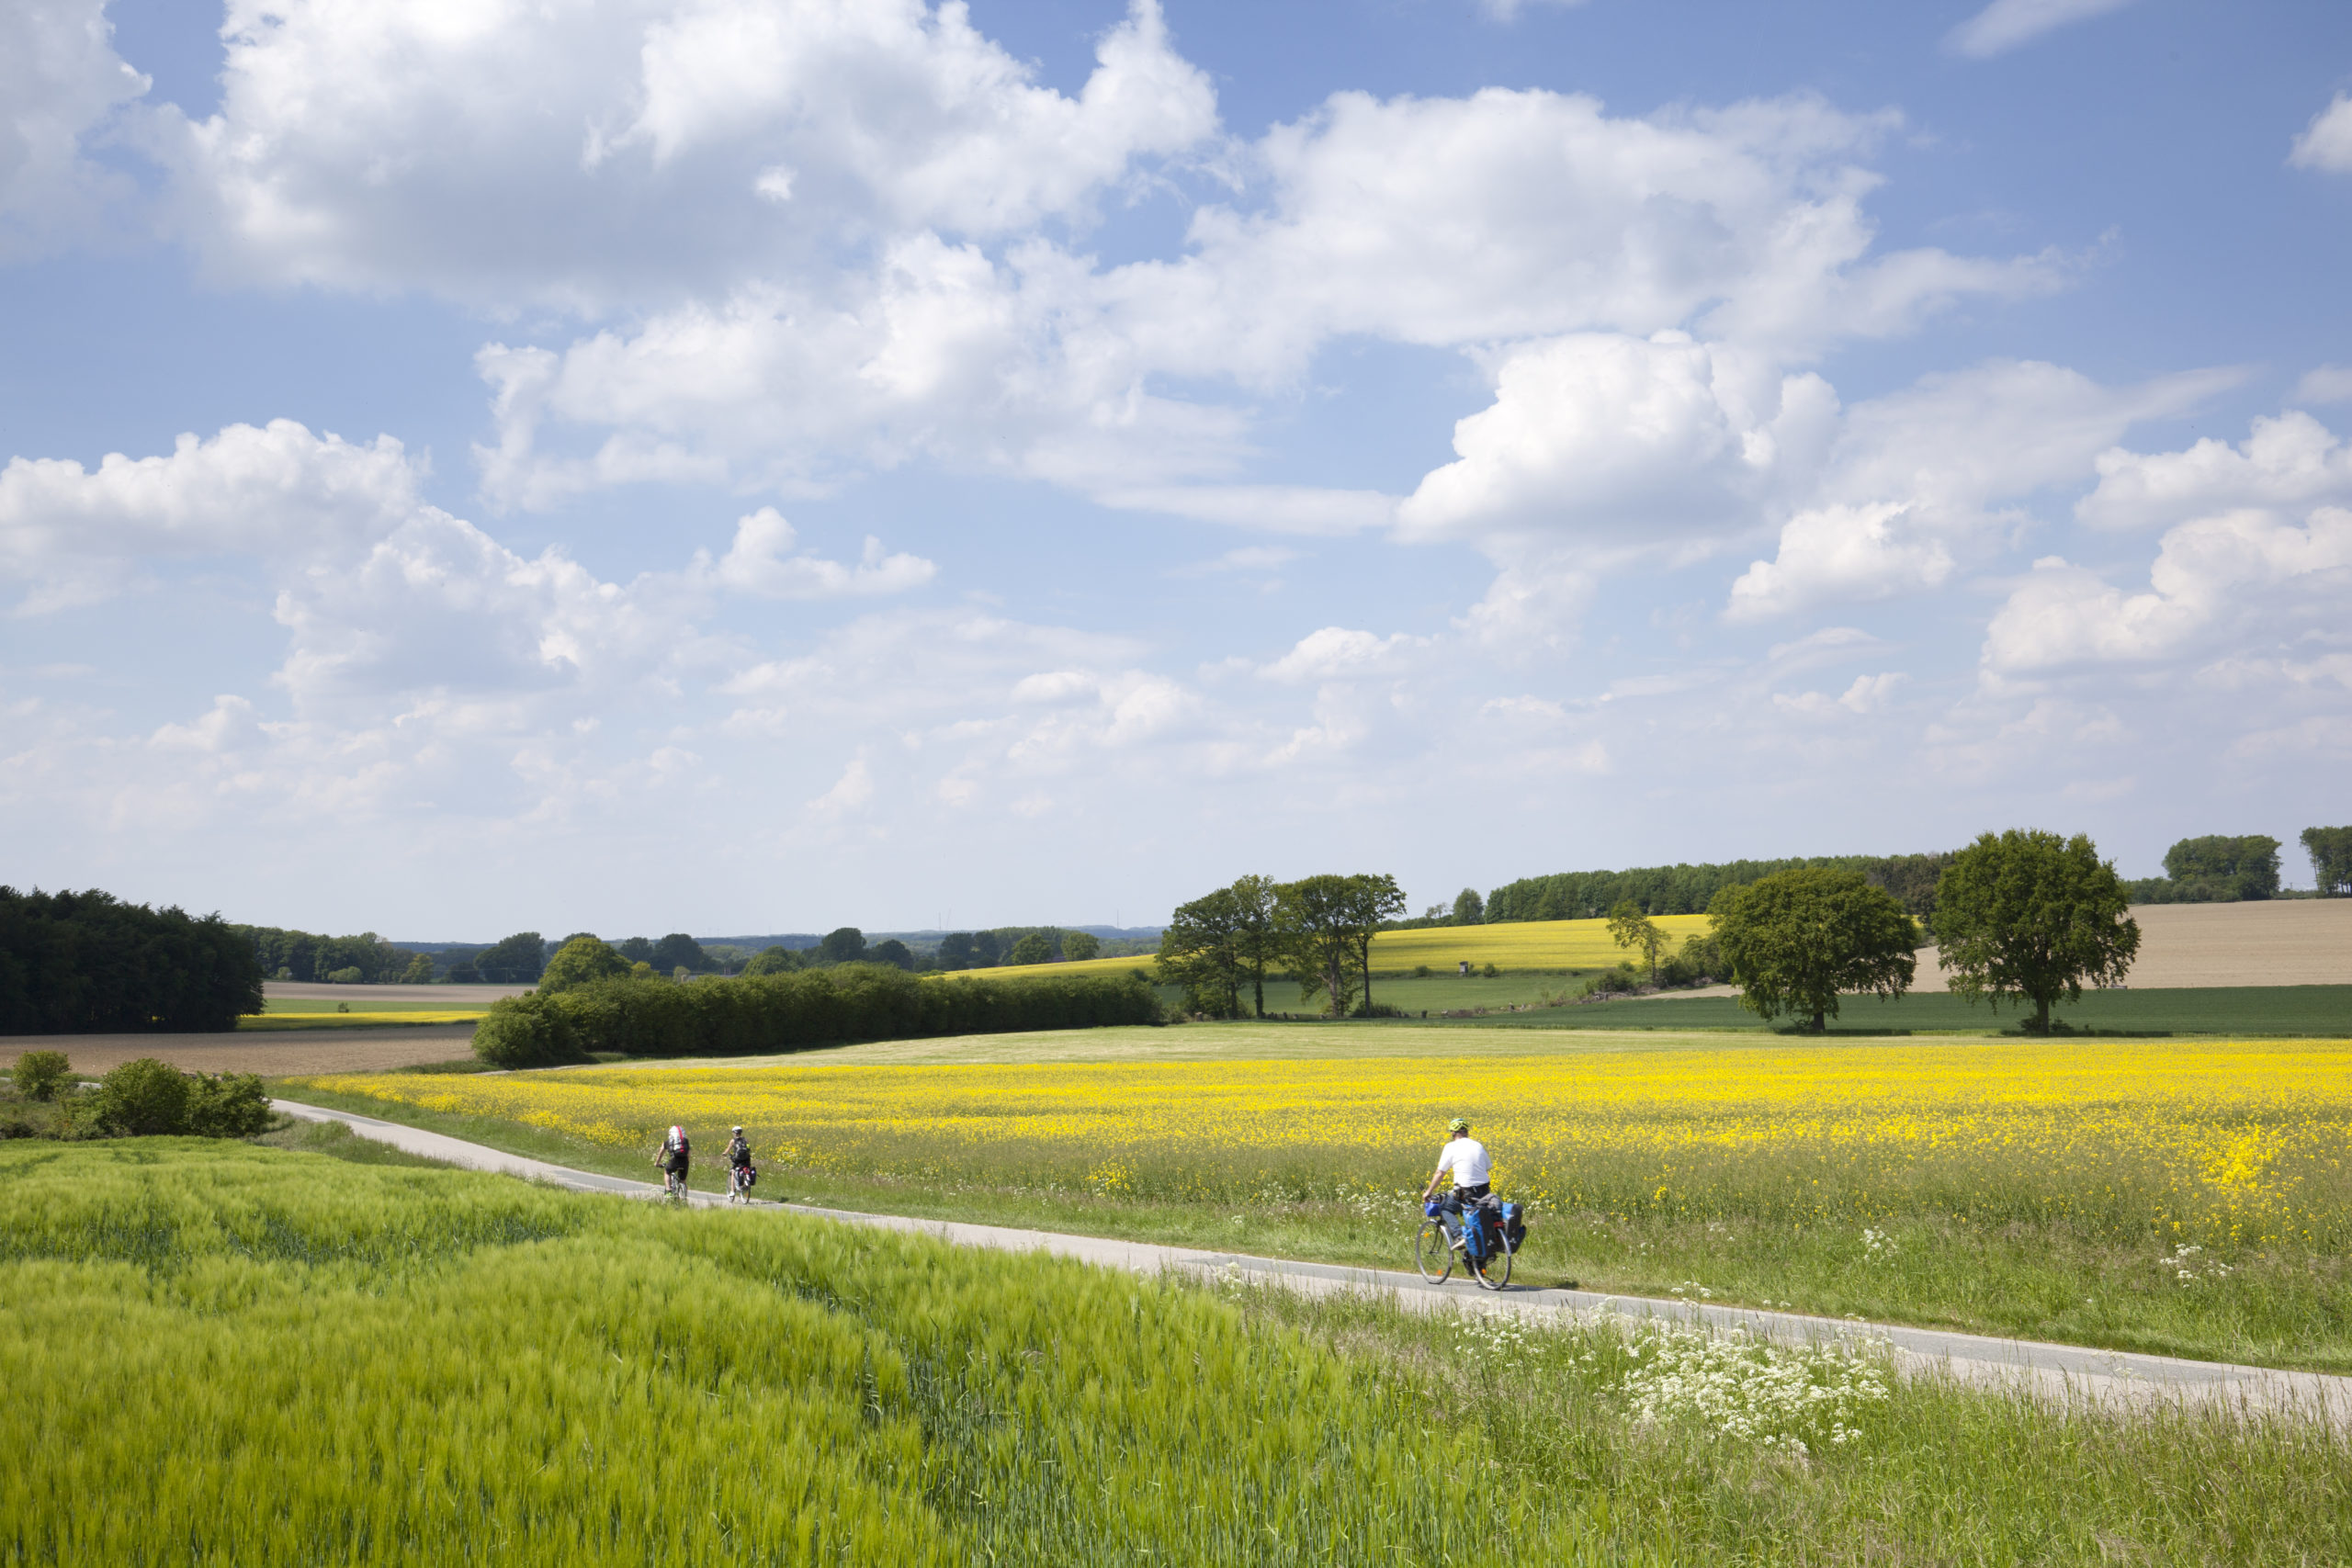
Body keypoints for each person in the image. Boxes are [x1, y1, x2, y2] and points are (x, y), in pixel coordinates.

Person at [1421, 1116, 1492, 1247]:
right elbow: (1487, 1167)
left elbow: (1440, 1173)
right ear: (1466, 1132)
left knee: (1445, 1208)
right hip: (1484, 1191)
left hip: (1465, 1192)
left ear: (1453, 1133)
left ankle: (1459, 1237)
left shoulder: (1450, 1147)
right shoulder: (1478, 1145)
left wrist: (1428, 1192)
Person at [656, 1124, 691, 1198]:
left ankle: (668, 1191)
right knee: (683, 1181)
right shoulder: (686, 1141)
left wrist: (657, 1163)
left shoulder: (667, 1142)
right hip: (685, 1162)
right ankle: (684, 1198)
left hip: (674, 1161)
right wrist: (687, 1163)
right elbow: (688, 1154)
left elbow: (660, 1153)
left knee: (667, 1172)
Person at [724, 1125, 754, 1200]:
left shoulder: (733, 1141)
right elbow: (749, 1148)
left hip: (737, 1160)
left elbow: (728, 1150)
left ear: (734, 1133)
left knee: (733, 1172)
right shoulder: (746, 1140)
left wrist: (724, 1153)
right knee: (746, 1168)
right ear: (741, 1132)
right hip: (746, 1159)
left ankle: (732, 1191)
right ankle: (746, 1181)